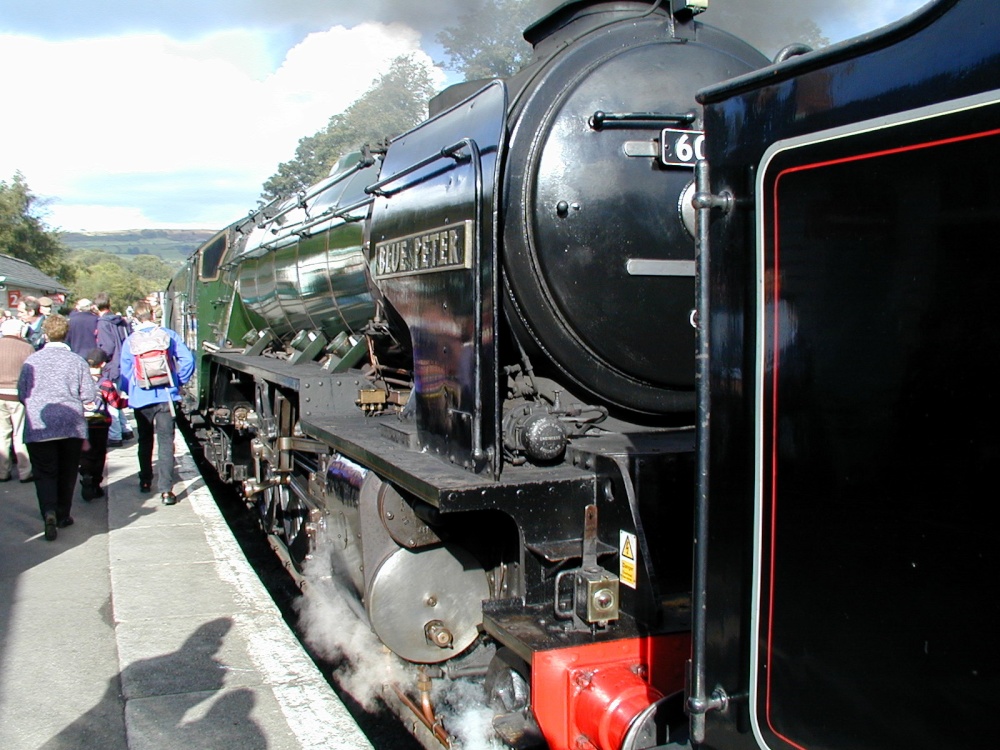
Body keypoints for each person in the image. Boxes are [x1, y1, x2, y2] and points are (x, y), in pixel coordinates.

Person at [17, 314, 96, 541]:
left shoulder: (32, 361)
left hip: (39, 425)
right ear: (66, 334)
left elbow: (23, 393)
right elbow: (88, 395)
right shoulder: (77, 361)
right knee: (67, 471)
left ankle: (48, 511)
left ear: (45, 335)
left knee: (44, 472)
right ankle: (63, 514)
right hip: (71, 424)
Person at [119, 299, 194, 505]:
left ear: (135, 317)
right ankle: (166, 491)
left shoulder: (130, 341)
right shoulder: (168, 335)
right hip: (166, 397)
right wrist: (178, 381)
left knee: (144, 440)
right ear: (152, 314)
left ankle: (145, 481)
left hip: (141, 398)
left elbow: (125, 373)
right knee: (166, 442)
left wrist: (130, 391)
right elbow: (188, 360)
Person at [79, 348, 126, 500]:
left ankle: (85, 473)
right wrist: (129, 401)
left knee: (85, 452)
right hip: (100, 423)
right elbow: (116, 403)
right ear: (103, 364)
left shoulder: (80, 381)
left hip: (82, 422)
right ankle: (96, 483)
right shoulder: (105, 383)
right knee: (99, 453)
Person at [94, 292, 134, 446]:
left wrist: (101, 358)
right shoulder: (121, 321)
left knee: (111, 402)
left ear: (96, 307)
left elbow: (108, 346)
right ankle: (126, 429)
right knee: (117, 398)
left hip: (112, 365)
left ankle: (115, 436)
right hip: (124, 363)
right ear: (109, 304)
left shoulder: (102, 323)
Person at [0, 318, 34, 483]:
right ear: (20, 332)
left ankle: (3, 471)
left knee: (2, 434)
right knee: (19, 433)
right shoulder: (26, 348)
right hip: (17, 394)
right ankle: (25, 471)